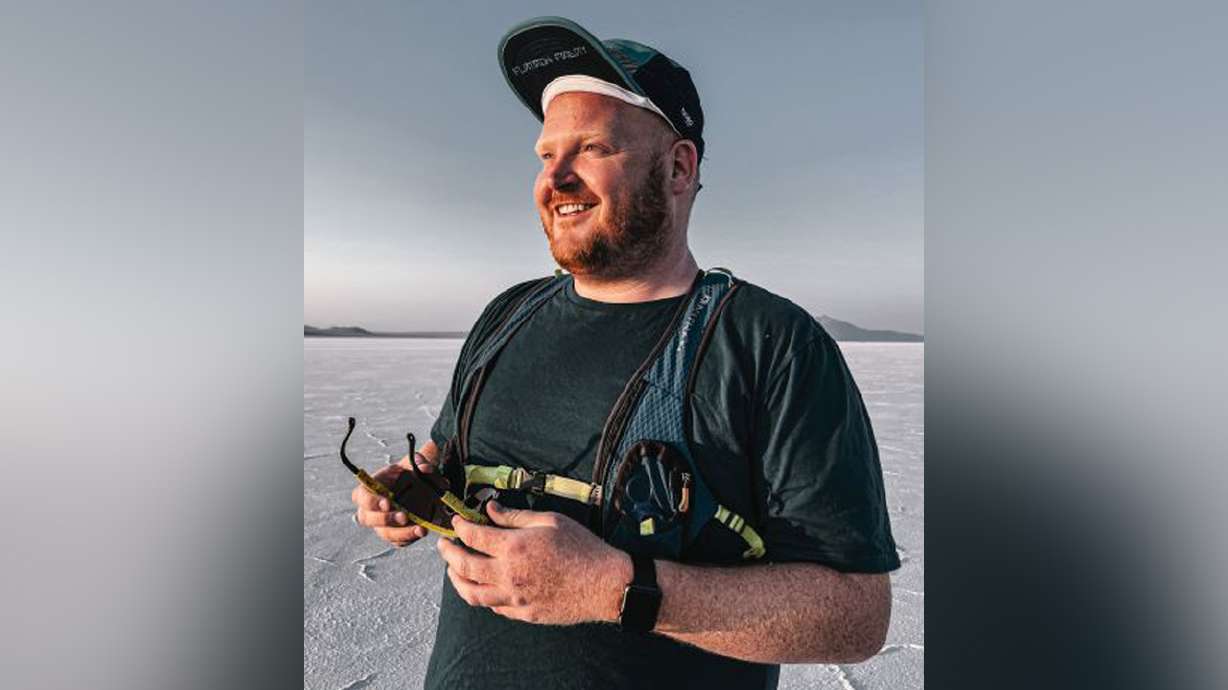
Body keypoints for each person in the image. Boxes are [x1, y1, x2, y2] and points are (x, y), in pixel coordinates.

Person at [351, 16, 899, 690]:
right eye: (545, 154)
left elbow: (855, 617)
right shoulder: (507, 317)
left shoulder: (769, 346)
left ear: (677, 167)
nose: (556, 177)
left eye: (591, 149)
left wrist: (616, 589)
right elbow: (449, 458)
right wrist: (412, 490)